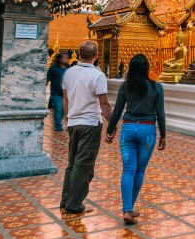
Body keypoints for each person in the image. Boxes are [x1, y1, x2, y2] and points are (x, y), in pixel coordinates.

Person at [106, 54, 166, 225]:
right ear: (147, 68)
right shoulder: (156, 87)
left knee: (128, 170)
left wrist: (110, 130)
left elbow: (117, 111)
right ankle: (129, 208)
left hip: (128, 129)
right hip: (147, 130)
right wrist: (163, 134)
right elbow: (160, 113)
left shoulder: (125, 87)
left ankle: (127, 209)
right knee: (139, 171)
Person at [60, 40, 111, 218]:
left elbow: (65, 100)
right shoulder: (98, 75)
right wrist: (112, 125)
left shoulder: (69, 73)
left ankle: (66, 199)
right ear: (96, 56)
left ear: (79, 54)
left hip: (74, 122)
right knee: (85, 165)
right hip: (90, 123)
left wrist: (67, 119)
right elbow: (104, 105)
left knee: (73, 163)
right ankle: (74, 204)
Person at [46, 51, 69, 131]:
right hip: (56, 92)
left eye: (66, 58)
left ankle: (58, 121)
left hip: (65, 93)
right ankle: (58, 126)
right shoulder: (53, 68)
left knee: (63, 109)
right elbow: (47, 79)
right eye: (63, 57)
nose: (64, 59)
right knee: (58, 108)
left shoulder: (68, 69)